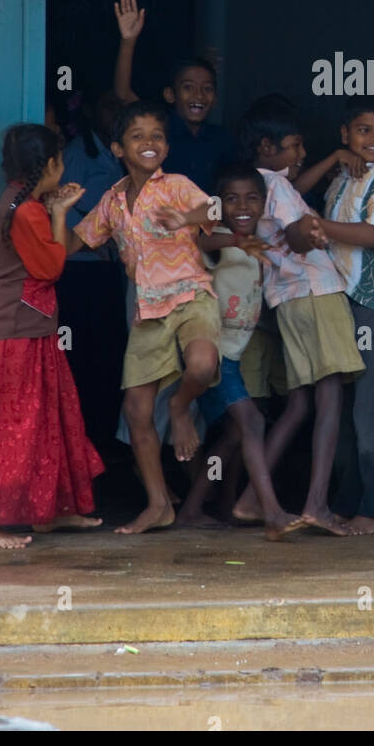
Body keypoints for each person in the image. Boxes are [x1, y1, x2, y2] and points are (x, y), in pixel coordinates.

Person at [67, 100, 224, 534]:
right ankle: (158, 504)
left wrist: (186, 216)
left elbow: (216, 212)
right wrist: (56, 209)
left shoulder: (175, 185)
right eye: (138, 136)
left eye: (156, 136)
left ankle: (178, 405)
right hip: (147, 309)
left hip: (191, 296)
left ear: (167, 147)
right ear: (118, 147)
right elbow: (71, 247)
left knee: (203, 364)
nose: (149, 143)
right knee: (136, 410)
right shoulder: (113, 201)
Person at [228, 96, 366, 535]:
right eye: (294, 146)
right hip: (316, 291)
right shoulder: (281, 188)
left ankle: (252, 499)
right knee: (329, 399)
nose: (301, 154)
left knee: (299, 403)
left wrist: (328, 162)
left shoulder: (262, 185)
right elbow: (296, 231)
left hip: (285, 299)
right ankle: (317, 505)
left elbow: (294, 193)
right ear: (268, 146)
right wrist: (314, 231)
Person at [0, 124, 103, 548]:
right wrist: (60, 213)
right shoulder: (26, 211)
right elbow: (51, 269)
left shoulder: (27, 203)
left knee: (45, 422)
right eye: (60, 160)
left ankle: (49, 511)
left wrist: (55, 210)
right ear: (49, 165)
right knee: (8, 428)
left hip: (33, 329)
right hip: (12, 333)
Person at [176, 164, 305, 539]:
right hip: (212, 355)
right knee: (252, 423)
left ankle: (192, 509)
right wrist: (235, 241)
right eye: (231, 199)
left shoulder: (260, 241)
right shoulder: (216, 236)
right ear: (217, 206)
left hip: (233, 355)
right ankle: (270, 511)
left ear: (264, 203)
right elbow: (202, 244)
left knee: (235, 434)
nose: (242, 207)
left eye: (252, 198)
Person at [314, 99, 374, 534]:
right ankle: (348, 502)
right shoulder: (342, 177)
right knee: (345, 405)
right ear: (345, 134)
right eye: (364, 131)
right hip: (340, 299)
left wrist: (318, 227)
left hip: (372, 301)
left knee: (372, 407)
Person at [57, 89, 128, 448]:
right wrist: (94, 239)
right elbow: (63, 206)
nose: (114, 113)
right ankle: (83, 437)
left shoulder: (121, 152)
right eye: (107, 105)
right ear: (90, 111)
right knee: (80, 352)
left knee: (110, 350)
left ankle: (104, 436)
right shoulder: (76, 154)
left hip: (109, 269)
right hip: (80, 268)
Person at [112, 0, 236, 194]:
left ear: (215, 99)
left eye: (207, 88)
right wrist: (128, 40)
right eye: (188, 87)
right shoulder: (159, 129)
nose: (199, 95)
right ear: (170, 95)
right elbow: (123, 95)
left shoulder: (222, 139)